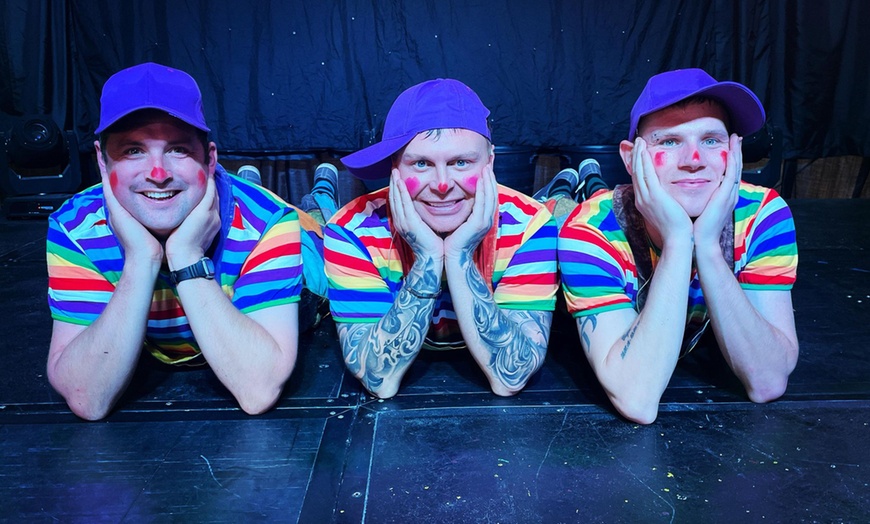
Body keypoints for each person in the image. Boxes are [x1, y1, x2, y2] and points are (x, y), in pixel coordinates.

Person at [45, 62, 320, 420]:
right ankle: (251, 177)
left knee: (316, 224)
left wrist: (186, 255)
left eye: (178, 150)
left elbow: (257, 390)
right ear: (101, 160)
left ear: (209, 158)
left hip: (310, 270)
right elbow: (88, 399)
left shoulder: (268, 222)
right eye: (133, 151)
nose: (158, 175)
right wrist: (142, 259)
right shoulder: (74, 228)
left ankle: (320, 192)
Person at [558, 68, 799, 424]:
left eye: (712, 140)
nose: (694, 159)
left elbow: (766, 381)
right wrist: (676, 241)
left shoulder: (763, 214)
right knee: (559, 209)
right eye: (669, 142)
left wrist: (707, 245)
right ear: (630, 158)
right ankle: (571, 186)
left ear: (735, 150)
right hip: (603, 211)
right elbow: (637, 398)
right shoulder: (588, 229)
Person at [325, 78, 559, 398]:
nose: (443, 184)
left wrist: (460, 254)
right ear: (394, 168)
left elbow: (511, 377)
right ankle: (321, 193)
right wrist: (428, 257)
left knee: (559, 208)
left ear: (489, 163)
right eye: (421, 163)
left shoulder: (531, 227)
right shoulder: (351, 231)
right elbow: (379, 379)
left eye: (460, 162)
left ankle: (561, 192)